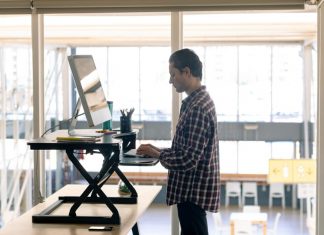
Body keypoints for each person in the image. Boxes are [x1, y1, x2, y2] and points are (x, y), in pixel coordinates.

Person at [137, 48, 220, 235]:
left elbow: (189, 160)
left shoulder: (198, 108)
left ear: (187, 72)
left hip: (193, 193)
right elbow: (186, 148)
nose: (170, 80)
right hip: (192, 192)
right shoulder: (196, 102)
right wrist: (157, 149)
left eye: (173, 75)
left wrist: (158, 154)